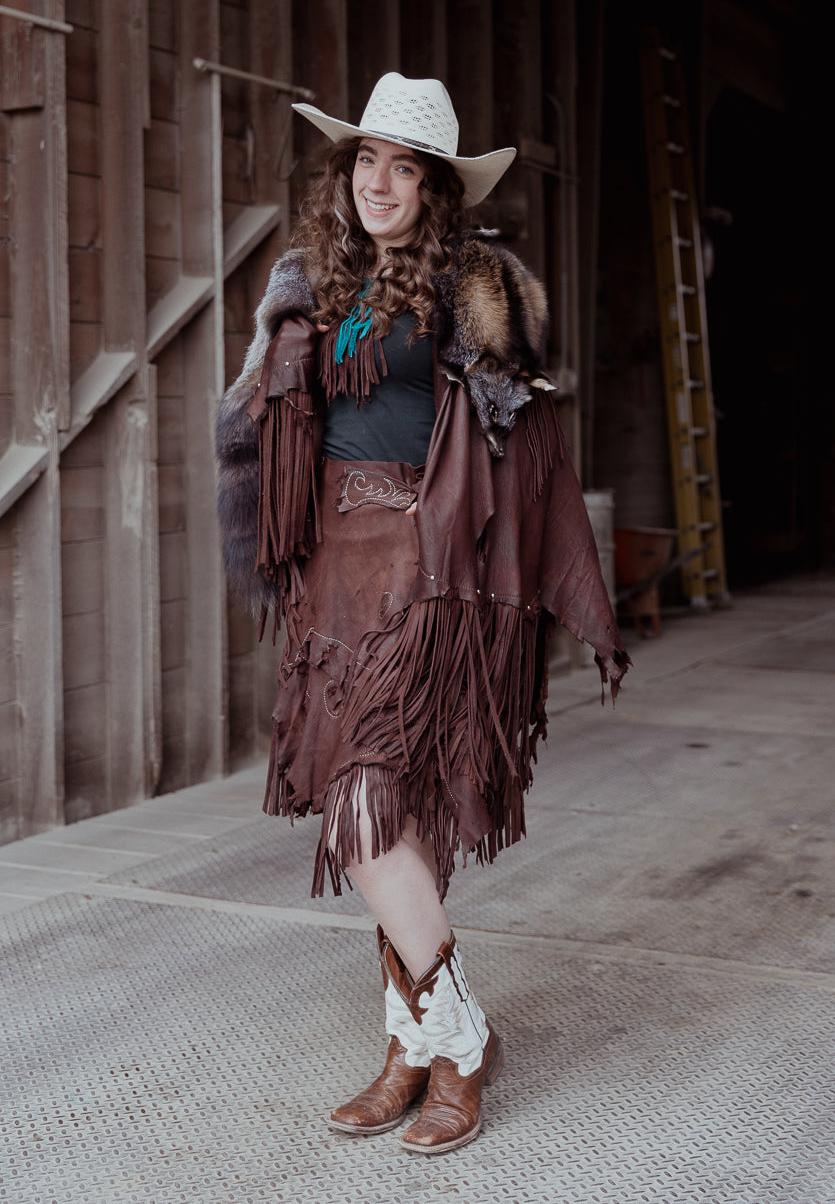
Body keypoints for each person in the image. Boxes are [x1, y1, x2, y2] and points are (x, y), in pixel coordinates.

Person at [215, 72, 629, 1155]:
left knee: (368, 803)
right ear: (343, 173)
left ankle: (456, 1033)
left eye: (403, 168)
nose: (379, 182)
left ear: (436, 188)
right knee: (390, 812)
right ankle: (414, 1049)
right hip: (331, 569)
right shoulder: (311, 283)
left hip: (429, 563)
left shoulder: (472, 286)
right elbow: (263, 425)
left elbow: (516, 434)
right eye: (365, 162)